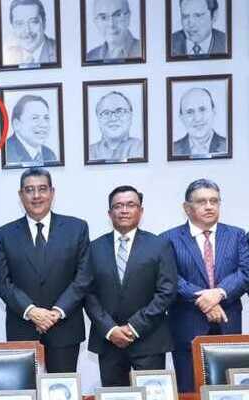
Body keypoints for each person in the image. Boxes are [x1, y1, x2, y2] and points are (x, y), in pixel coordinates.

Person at [0, 167, 89, 373]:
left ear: (52, 192)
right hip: (22, 328)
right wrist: (32, 311)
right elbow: (4, 283)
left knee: (63, 388)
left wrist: (56, 313)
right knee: (25, 389)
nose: (36, 196)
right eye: (29, 190)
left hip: (64, 327)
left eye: (42, 189)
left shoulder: (77, 228)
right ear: (21, 195)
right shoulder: (4, 234)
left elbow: (82, 278)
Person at [160, 179, 249, 392]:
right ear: (187, 208)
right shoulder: (168, 239)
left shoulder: (237, 235)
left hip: (228, 326)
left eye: (214, 201)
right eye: (201, 202)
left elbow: (245, 272)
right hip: (187, 327)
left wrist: (219, 293)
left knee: (231, 390)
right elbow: (171, 278)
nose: (209, 206)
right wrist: (206, 301)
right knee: (189, 389)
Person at [84, 186, 177, 386]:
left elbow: (167, 292)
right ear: (109, 213)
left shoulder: (159, 245)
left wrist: (134, 327)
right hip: (109, 340)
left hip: (149, 339)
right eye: (118, 206)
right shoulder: (93, 248)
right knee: (113, 396)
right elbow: (88, 294)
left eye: (130, 205)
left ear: (141, 211)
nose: (124, 210)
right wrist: (110, 329)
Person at [89, 91, 143, 161]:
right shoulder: (89, 152)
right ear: (98, 119)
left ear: (130, 116)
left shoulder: (142, 148)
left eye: (120, 111)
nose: (113, 118)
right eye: (106, 113)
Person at [173, 88, 226, 157]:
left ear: (213, 112)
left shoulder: (226, 146)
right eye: (189, 112)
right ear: (182, 118)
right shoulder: (173, 150)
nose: (197, 118)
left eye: (202, 109)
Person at [5, 95, 57, 165]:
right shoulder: (6, 153)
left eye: (46, 118)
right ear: (16, 124)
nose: (44, 125)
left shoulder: (50, 155)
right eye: (35, 118)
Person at [5, 0, 57, 64]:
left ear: (44, 23)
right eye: (19, 23)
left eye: (33, 22)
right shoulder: (8, 55)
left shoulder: (58, 51)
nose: (27, 31)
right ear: (12, 27)